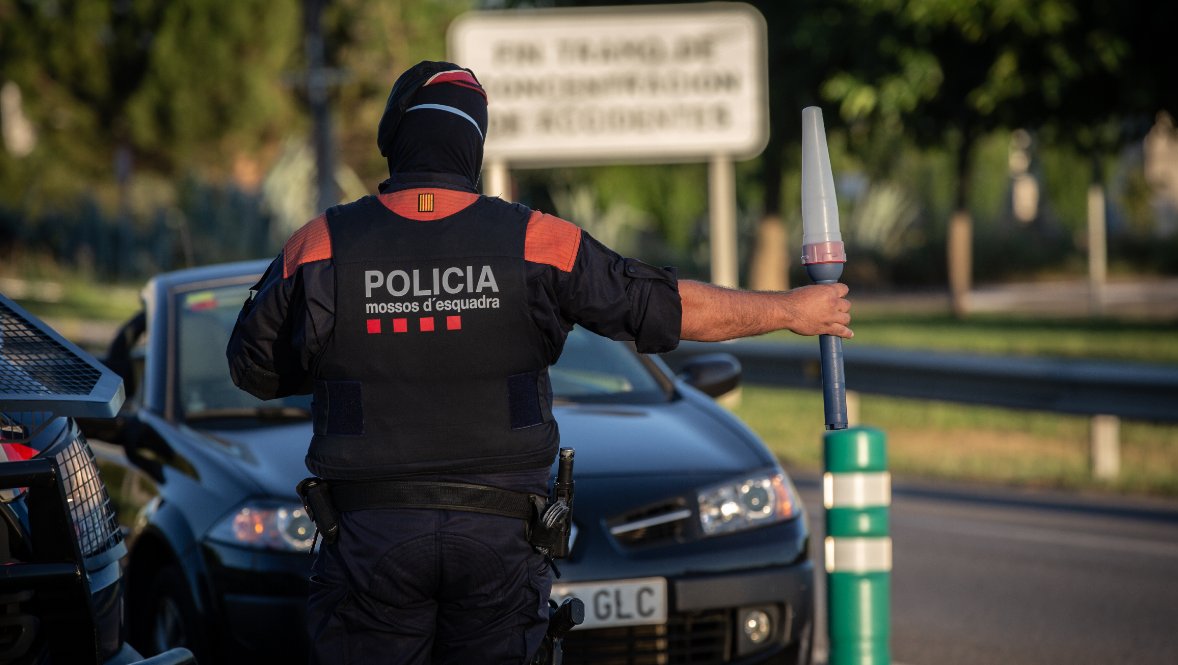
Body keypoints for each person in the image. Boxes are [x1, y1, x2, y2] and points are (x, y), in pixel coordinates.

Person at [226, 60, 851, 665]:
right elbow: (668, 309)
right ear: (472, 147)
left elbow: (252, 367)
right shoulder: (538, 240)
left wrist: (350, 353)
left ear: (395, 140)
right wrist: (792, 310)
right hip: (500, 540)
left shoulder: (321, 243)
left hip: (368, 539)